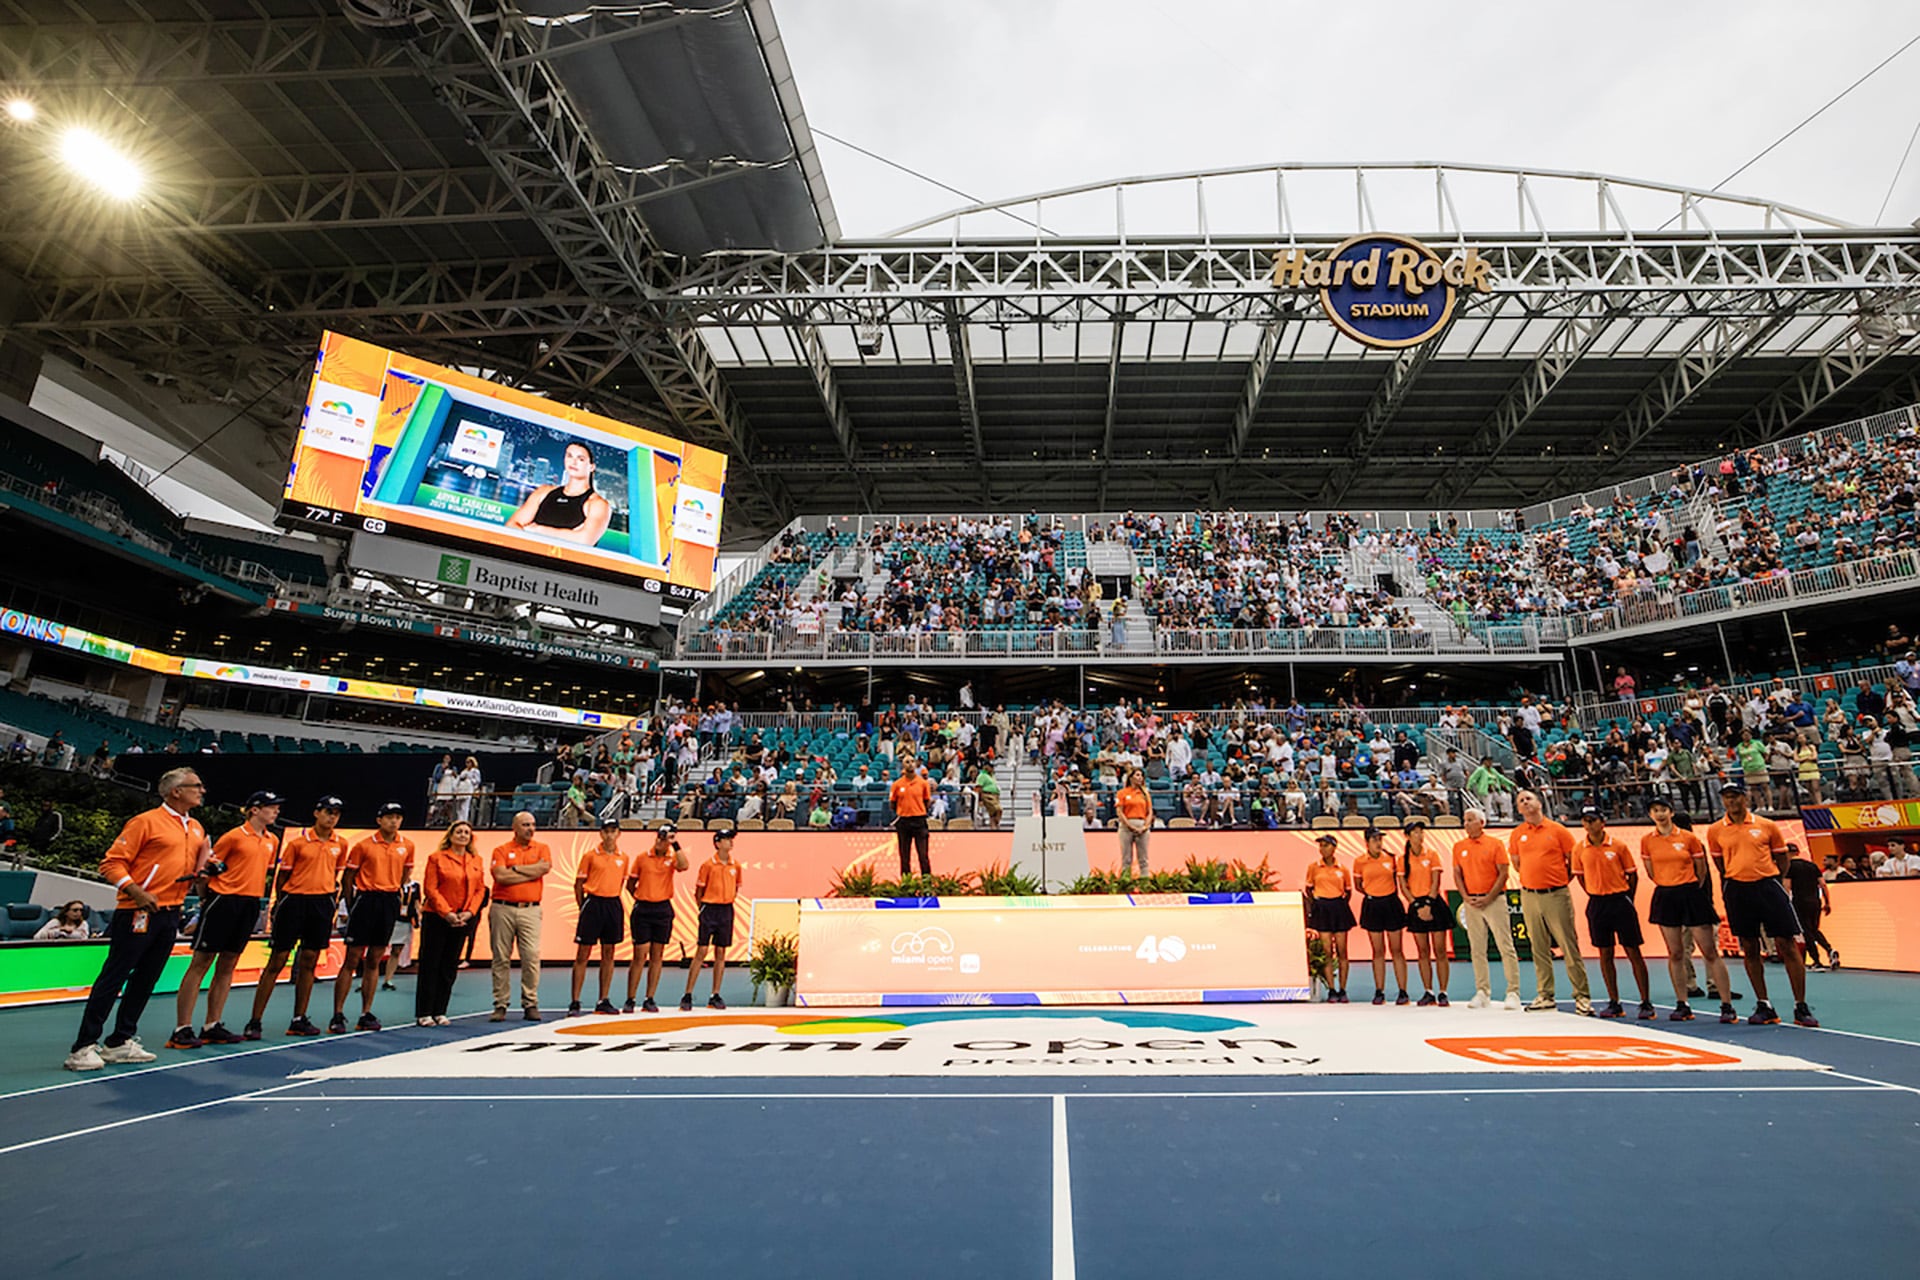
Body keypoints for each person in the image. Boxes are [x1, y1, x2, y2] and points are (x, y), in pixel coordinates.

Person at [65, 768, 211, 1071]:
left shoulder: (195, 827)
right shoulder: (145, 822)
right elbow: (112, 863)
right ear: (176, 791)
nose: (202, 790)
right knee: (114, 977)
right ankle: (82, 1047)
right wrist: (136, 891)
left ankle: (120, 1040)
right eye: (196, 786)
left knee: (147, 979)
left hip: (171, 913)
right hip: (137, 911)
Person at [168, 791, 282, 1049]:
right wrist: (207, 899)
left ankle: (212, 1024)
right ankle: (182, 1028)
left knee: (228, 964)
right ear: (254, 809)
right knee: (201, 962)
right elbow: (208, 868)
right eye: (271, 807)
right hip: (223, 901)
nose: (276, 812)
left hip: (250, 903)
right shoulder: (233, 836)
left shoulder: (272, 840)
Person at [1708, 782, 1818, 1026]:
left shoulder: (1766, 825)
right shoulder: (1715, 830)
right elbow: (1720, 864)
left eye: (1735, 796)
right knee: (1750, 946)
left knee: (1786, 944)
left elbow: (1782, 858)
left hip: (1768, 885)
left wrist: (1771, 877)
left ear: (1744, 798)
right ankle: (1764, 1004)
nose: (1731, 802)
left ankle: (1801, 1006)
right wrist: (1736, 877)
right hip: (1737, 888)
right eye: (1726, 798)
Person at [248, 797, 349, 1038]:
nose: (332, 817)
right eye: (327, 812)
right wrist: (282, 903)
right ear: (316, 813)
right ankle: (255, 1020)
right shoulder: (297, 844)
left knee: (309, 961)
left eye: (336, 813)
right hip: (294, 901)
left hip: (322, 903)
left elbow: (336, 873)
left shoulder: (341, 844)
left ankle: (299, 1018)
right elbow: (281, 879)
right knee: (278, 960)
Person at [1639, 797, 1736, 1023]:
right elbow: (1651, 871)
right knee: (1675, 953)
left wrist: (1689, 887)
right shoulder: (1647, 841)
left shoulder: (1689, 838)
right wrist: (1669, 884)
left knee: (1709, 951)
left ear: (1671, 812)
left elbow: (1701, 871)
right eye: (1655, 810)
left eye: (1663, 809)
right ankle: (1682, 1003)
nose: (1660, 814)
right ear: (1650, 815)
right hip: (1666, 895)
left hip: (1691, 893)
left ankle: (1726, 1004)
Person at [331, 801, 414, 1034]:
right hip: (365, 900)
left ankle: (365, 1013)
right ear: (379, 820)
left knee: (375, 958)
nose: (394, 821)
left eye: (398, 817)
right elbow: (348, 877)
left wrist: (395, 893)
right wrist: (350, 904)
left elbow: (405, 874)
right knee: (353, 957)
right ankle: (338, 1013)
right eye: (389, 817)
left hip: (388, 901)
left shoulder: (406, 845)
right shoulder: (363, 845)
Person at [1509, 789, 1593, 1016]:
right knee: (1538, 947)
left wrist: (1558, 880)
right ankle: (1545, 994)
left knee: (1568, 945)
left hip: (1556, 894)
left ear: (1539, 803)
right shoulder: (1517, 834)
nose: (1525, 803)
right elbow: (1517, 864)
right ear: (1518, 809)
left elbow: (1572, 861)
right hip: (1529, 895)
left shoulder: (1558, 831)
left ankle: (1582, 996)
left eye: (1528, 798)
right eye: (1521, 801)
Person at [1572, 806, 1654, 1020]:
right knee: (1605, 953)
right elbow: (1580, 876)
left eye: (1593, 820)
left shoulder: (1618, 846)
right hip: (1597, 903)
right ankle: (1614, 1001)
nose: (1589, 824)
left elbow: (1632, 874)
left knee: (1633, 950)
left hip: (1620, 900)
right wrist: (1594, 892)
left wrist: (1628, 898)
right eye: (1585, 820)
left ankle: (1646, 1001)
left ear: (1603, 822)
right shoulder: (1579, 848)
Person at [415, 820, 486, 1026]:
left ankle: (440, 1011)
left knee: (449, 966)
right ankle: (424, 1012)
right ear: (451, 835)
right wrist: (446, 913)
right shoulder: (436, 858)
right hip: (437, 918)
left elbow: (480, 889)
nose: (463, 835)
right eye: (459, 831)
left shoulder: (476, 860)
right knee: (431, 964)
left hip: (462, 919)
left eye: (466, 832)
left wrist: (470, 912)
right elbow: (431, 888)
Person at [1452, 809, 1521, 1009]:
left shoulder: (1495, 844)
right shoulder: (1459, 846)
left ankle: (1513, 992)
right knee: (1477, 948)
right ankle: (1482, 991)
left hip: (1494, 900)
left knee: (1505, 945)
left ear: (1481, 822)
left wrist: (1489, 897)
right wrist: (1465, 897)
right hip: (1471, 902)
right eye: (1464, 820)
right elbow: (1457, 873)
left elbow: (1503, 872)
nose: (1466, 824)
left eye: (1470, 820)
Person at [489, 810, 552, 1021]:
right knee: (500, 957)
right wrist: (529, 872)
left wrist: (514, 869)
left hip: (531, 909)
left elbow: (544, 868)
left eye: (533, 824)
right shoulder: (501, 850)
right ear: (515, 828)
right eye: (525, 825)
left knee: (531, 956)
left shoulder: (542, 849)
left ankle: (530, 1002)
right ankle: (500, 1004)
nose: (530, 829)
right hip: (502, 908)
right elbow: (500, 876)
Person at [624, 823, 689, 1012]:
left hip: (663, 908)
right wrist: (640, 897)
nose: (662, 841)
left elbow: (684, 866)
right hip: (643, 908)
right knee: (639, 954)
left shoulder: (672, 858)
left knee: (657, 955)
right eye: (660, 837)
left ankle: (649, 998)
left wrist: (675, 845)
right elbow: (630, 884)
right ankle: (630, 998)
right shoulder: (643, 858)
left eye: (666, 838)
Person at [569, 818, 630, 1015]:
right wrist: (583, 906)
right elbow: (578, 884)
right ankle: (575, 1001)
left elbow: (621, 882)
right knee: (583, 953)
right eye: (606, 831)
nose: (609, 835)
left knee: (609, 952)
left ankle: (603, 999)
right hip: (593, 902)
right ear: (601, 833)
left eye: (613, 831)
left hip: (612, 903)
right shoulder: (590, 856)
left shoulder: (624, 857)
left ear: (618, 833)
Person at [505, 439, 614, 545]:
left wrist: (537, 529)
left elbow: (585, 541)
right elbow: (511, 525)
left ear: (591, 467)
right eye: (569, 456)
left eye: (580, 459)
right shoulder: (543, 492)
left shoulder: (597, 504)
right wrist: (570, 535)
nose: (573, 462)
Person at [681, 825, 743, 1011]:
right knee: (701, 951)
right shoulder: (708, 865)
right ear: (717, 843)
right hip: (709, 908)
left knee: (721, 953)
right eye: (726, 839)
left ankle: (715, 994)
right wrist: (702, 908)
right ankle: (688, 994)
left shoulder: (736, 866)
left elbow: (736, 888)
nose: (730, 842)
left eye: (731, 839)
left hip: (726, 909)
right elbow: (699, 890)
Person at [1398, 818, 1452, 1006]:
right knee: (1423, 951)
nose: (1420, 836)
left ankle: (1443, 991)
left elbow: (1435, 881)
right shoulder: (1402, 859)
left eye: (1421, 832)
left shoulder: (1432, 854)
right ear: (1408, 836)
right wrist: (1416, 905)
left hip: (1434, 903)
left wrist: (1428, 903)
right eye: (1415, 832)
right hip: (1416, 905)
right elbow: (1403, 886)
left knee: (1440, 950)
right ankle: (1428, 990)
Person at [1353, 827, 1409, 1006]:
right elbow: (1358, 885)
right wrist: (1373, 893)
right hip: (1372, 905)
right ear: (1367, 842)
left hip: (1391, 903)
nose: (1379, 843)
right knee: (1377, 951)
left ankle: (1403, 991)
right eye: (1375, 839)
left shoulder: (1392, 858)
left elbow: (1398, 880)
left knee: (1397, 949)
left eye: (1380, 839)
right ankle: (1379, 991)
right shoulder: (1360, 862)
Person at [1303, 833, 1355, 1002]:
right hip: (1322, 907)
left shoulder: (1343, 869)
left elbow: (1348, 891)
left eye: (1326, 845)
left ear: (1334, 847)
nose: (1322, 849)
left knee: (1342, 950)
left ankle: (1343, 989)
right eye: (1321, 845)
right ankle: (1332, 989)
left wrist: (1339, 904)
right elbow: (1309, 889)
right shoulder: (1313, 867)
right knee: (1327, 951)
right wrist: (1317, 904)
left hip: (1339, 907)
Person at [1784, 842, 1837, 971]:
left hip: (1800, 902)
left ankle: (1817, 961)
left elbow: (1787, 887)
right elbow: (1823, 884)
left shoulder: (1789, 867)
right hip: (1815, 901)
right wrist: (1827, 902)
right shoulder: (1812, 865)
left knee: (1806, 931)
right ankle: (1829, 949)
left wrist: (1786, 904)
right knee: (1814, 929)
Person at [889, 754, 932, 877]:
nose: (910, 764)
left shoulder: (923, 783)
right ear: (903, 765)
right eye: (907, 762)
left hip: (919, 821)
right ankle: (906, 884)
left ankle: (926, 883)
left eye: (912, 761)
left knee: (923, 855)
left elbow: (927, 801)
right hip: (904, 822)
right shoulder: (897, 785)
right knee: (904, 856)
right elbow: (892, 803)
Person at [1115, 767, 1152, 874]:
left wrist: (1145, 826)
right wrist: (1130, 826)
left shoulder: (1145, 794)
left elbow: (1149, 811)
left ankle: (1144, 883)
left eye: (1141, 776)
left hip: (1142, 825)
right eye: (1137, 775)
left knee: (1143, 859)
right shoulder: (1122, 793)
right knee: (1126, 858)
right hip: (1127, 826)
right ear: (1131, 778)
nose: (1140, 778)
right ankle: (1126, 882)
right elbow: (1120, 812)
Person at [973, 761, 1002, 829]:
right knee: (998, 809)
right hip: (987, 795)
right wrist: (979, 799)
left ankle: (993, 827)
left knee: (993, 814)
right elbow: (979, 787)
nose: (992, 769)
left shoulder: (991, 776)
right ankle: (996, 823)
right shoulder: (982, 776)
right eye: (991, 767)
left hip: (995, 796)